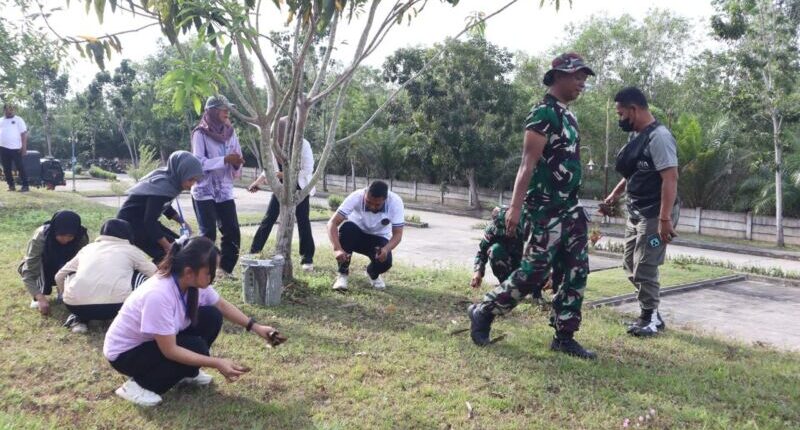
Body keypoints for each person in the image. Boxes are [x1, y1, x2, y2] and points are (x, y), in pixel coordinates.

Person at [467, 52, 597, 359]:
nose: (582, 83)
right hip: (545, 208)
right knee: (535, 272)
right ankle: (485, 310)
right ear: (559, 76)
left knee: (575, 270)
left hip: (570, 208)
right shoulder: (543, 113)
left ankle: (564, 335)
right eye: (577, 76)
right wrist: (515, 207)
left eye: (584, 78)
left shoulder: (569, 116)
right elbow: (527, 164)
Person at [103, 236, 287, 407]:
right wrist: (216, 362)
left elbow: (221, 305)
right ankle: (139, 386)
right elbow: (170, 350)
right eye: (210, 272)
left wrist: (256, 327)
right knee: (196, 347)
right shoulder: (158, 295)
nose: (213, 276)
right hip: (126, 354)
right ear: (189, 272)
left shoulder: (190, 283)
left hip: (153, 343)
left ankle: (184, 373)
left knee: (212, 316)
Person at [602, 86, 680, 337]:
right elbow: (633, 173)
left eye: (621, 113)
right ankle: (651, 313)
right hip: (636, 212)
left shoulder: (660, 137)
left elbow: (671, 178)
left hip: (656, 216)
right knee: (629, 264)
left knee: (645, 266)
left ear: (633, 110)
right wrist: (615, 194)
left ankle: (650, 318)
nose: (619, 119)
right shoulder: (637, 137)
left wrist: (665, 220)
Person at [55, 219, 158, 333]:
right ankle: (131, 319)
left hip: (76, 307)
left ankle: (79, 320)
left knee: (72, 273)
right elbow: (155, 274)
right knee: (142, 276)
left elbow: (60, 276)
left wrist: (64, 294)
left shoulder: (87, 249)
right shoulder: (131, 250)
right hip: (118, 307)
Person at [247, 116, 316, 270]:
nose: (278, 141)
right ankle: (254, 251)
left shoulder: (303, 145)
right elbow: (270, 168)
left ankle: (307, 258)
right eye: (276, 137)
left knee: (303, 220)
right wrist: (258, 182)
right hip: (281, 187)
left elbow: (307, 170)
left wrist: (283, 175)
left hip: (299, 186)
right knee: (269, 217)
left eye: (281, 137)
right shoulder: (272, 145)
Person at [191, 95, 245, 279]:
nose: (227, 113)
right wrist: (225, 160)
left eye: (227, 109)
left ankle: (225, 269)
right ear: (212, 111)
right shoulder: (200, 133)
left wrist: (237, 162)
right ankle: (203, 270)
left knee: (232, 231)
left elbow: (236, 153)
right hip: (204, 190)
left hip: (224, 190)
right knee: (208, 233)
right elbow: (198, 162)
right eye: (223, 109)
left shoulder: (230, 131)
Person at [117, 151, 202, 263]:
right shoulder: (162, 187)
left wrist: (182, 222)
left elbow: (165, 206)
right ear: (180, 172)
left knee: (181, 246)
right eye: (190, 179)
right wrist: (167, 247)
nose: (192, 184)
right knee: (170, 253)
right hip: (130, 225)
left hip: (144, 220)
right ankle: (158, 277)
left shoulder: (170, 182)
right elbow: (149, 221)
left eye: (195, 180)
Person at [327, 180, 404, 291]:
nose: (372, 207)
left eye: (377, 204)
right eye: (368, 202)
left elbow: (398, 234)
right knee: (347, 229)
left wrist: (386, 249)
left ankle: (372, 273)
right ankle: (342, 275)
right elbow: (332, 223)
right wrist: (337, 249)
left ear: (385, 199)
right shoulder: (356, 196)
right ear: (365, 194)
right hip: (355, 234)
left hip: (379, 238)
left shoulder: (395, 202)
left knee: (386, 262)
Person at [470, 206, 553, 305]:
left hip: (528, 266)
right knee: (495, 250)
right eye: (505, 227)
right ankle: (507, 288)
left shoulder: (529, 227)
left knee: (539, 259)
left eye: (511, 226)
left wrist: (552, 274)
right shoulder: (493, 230)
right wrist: (478, 272)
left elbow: (548, 252)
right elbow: (482, 252)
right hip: (510, 265)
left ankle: (536, 293)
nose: (508, 230)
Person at [18, 211, 89, 315]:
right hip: (45, 263)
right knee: (29, 266)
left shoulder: (81, 236)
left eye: (70, 236)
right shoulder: (41, 236)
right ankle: (39, 292)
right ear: (55, 230)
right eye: (61, 235)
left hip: (65, 264)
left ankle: (63, 290)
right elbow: (29, 269)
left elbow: (82, 265)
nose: (65, 240)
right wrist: (39, 297)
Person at [1, 103, 30, 192]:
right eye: (7, 109)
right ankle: (11, 186)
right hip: (2, 148)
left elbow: (24, 134)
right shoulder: (1, 120)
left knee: (20, 167)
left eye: (11, 109)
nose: (9, 111)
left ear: (13, 110)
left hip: (16, 148)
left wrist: (24, 148)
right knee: (6, 168)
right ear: (4, 110)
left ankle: (25, 186)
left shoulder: (18, 120)